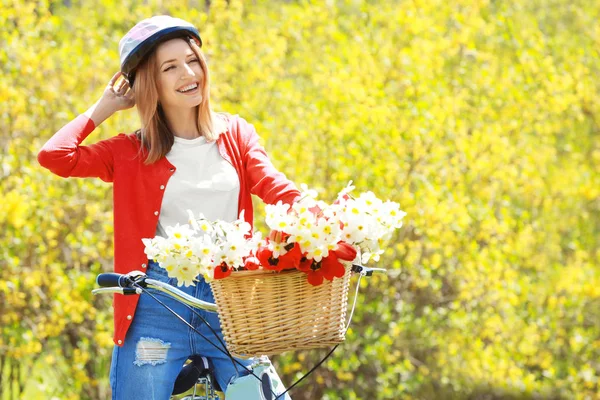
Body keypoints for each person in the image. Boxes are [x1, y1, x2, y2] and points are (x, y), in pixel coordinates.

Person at [37, 15, 298, 400]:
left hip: (230, 301)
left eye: (192, 60)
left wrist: (316, 213)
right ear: (149, 83)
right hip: (157, 304)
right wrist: (105, 106)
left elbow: (274, 186)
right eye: (170, 67)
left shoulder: (236, 134)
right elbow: (55, 156)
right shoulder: (130, 151)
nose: (188, 73)